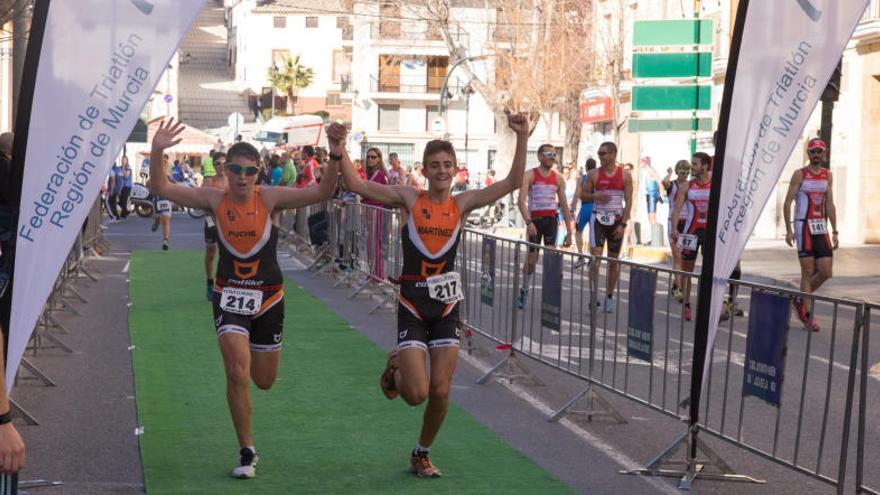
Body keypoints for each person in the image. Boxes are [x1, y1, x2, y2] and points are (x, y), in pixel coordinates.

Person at [338, 112, 530, 479]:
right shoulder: (410, 198)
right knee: (416, 395)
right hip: (413, 304)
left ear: (456, 170)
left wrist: (521, 137)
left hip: (446, 306)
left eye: (447, 165)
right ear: (424, 171)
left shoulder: (462, 203)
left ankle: (421, 453)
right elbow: (356, 185)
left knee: (441, 389)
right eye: (435, 165)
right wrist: (340, 149)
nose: (442, 170)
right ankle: (395, 368)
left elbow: (511, 182)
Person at [149, 118, 340, 479]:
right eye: (235, 169)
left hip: (269, 297)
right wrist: (159, 148)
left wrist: (335, 153)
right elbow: (160, 186)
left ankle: (250, 418)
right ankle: (247, 451)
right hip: (229, 295)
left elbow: (323, 192)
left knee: (264, 380)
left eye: (249, 171)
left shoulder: (270, 197)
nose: (241, 177)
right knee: (237, 373)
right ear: (226, 170)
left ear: (258, 173)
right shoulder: (213, 198)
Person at [783, 138, 838, 332]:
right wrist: (789, 229)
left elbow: (829, 204)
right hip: (803, 225)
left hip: (820, 227)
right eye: (812, 151)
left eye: (819, 151)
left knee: (825, 271)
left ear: (824, 154)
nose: (815, 154)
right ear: (808, 153)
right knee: (806, 271)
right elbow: (788, 201)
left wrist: (835, 230)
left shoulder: (827, 175)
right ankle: (807, 314)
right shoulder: (800, 174)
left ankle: (799, 298)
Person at [516, 144, 573, 309]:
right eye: (549, 154)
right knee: (532, 260)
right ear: (540, 156)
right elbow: (521, 201)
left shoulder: (559, 178)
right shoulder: (530, 175)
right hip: (535, 222)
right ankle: (524, 289)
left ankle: (549, 297)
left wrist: (569, 232)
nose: (552, 157)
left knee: (550, 259)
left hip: (550, 222)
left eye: (554, 154)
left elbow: (564, 205)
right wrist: (528, 222)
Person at [581, 142, 633, 313]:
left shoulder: (625, 175)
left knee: (613, 262)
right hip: (598, 221)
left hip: (616, 222)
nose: (600, 156)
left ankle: (609, 296)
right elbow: (582, 194)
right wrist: (595, 195)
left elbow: (629, 202)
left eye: (603, 153)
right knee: (595, 259)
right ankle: (594, 293)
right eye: (599, 153)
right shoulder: (593, 174)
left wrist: (623, 225)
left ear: (613, 154)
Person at [671, 152, 712, 321]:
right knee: (688, 270)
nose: (691, 167)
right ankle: (687, 304)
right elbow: (677, 209)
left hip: (709, 232)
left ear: (704, 166)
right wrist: (674, 228)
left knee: (711, 270)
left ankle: (711, 306)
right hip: (691, 231)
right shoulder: (686, 186)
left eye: (695, 164)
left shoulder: (715, 184)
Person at [662, 160, 691, 302]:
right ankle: (679, 288)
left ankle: (677, 284)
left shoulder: (690, 186)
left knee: (685, 257)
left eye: (686, 172)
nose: (684, 175)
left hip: (688, 223)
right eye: (681, 172)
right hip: (673, 222)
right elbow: (663, 182)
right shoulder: (672, 185)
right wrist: (669, 174)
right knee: (677, 255)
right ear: (677, 171)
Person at [202, 151, 227, 300]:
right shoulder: (208, 182)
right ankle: (210, 282)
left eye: (224, 163)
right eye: (218, 163)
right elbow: (200, 202)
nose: (221, 166)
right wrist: (210, 214)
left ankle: (223, 284)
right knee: (211, 253)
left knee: (228, 254)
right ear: (213, 165)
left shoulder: (232, 181)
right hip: (212, 221)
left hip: (229, 222)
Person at [571, 157, 597, 268]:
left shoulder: (582, 179)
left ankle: (581, 256)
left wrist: (572, 208)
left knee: (578, 232)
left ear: (586, 167)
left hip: (585, 208)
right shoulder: (597, 178)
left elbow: (577, 194)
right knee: (593, 234)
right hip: (595, 208)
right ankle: (592, 258)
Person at [150, 154, 174, 250]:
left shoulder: (169, 174)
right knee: (158, 217)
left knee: (166, 220)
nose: (164, 164)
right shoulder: (155, 172)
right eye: (162, 162)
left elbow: (173, 183)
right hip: (157, 199)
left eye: (165, 162)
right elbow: (149, 183)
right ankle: (156, 222)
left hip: (166, 198)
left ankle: (165, 240)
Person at [641, 157, 664, 225]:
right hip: (649, 195)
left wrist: (661, 194)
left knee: (652, 217)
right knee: (650, 217)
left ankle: (656, 233)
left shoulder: (650, 170)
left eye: (642, 162)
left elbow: (659, 181)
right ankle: (654, 232)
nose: (641, 164)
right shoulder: (646, 171)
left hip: (652, 195)